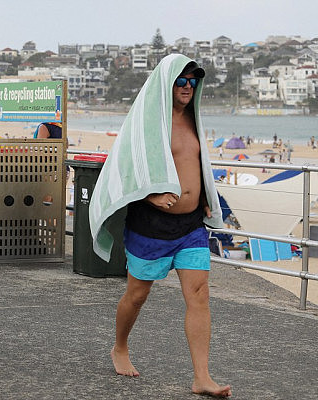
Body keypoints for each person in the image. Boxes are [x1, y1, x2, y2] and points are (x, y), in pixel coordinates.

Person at [89, 54, 231, 397]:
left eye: (192, 80)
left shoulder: (194, 120)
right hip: (150, 226)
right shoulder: (148, 123)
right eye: (180, 81)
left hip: (191, 226)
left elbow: (196, 164)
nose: (187, 86)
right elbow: (127, 166)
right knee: (137, 295)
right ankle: (119, 346)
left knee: (199, 294)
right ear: (166, 84)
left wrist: (206, 195)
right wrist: (149, 197)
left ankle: (201, 377)